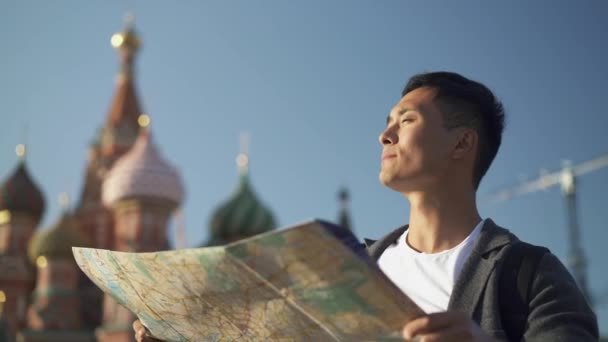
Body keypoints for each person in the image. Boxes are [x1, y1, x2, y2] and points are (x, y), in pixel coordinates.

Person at [133, 72, 599, 341]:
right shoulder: (338, 267)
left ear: (462, 144)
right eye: (386, 122)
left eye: (407, 120)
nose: (385, 135)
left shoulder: (529, 275)